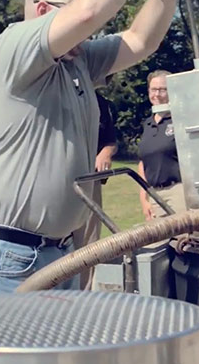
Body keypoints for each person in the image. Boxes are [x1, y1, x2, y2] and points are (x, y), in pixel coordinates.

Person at [0, 0, 199, 295]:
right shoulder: (13, 47)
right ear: (41, 12)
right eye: (73, 21)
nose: (89, 36)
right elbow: (87, 12)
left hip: (59, 250)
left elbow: (140, 41)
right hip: (7, 252)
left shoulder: (77, 61)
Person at [71, 91, 118, 290]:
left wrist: (106, 152)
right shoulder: (54, 92)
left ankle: (84, 294)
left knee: (88, 243)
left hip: (90, 181)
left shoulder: (101, 102)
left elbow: (111, 139)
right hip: (59, 181)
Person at [137, 70, 185, 220]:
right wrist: (144, 199)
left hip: (178, 192)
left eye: (162, 90)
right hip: (154, 195)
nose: (157, 95)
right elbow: (143, 163)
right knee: (158, 242)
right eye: (153, 90)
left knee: (182, 239)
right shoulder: (148, 123)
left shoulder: (180, 119)